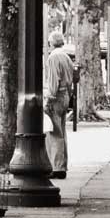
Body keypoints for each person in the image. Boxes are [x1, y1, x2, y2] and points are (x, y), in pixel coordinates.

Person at [44, 31, 75, 179]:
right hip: (65, 95)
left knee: (53, 132)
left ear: (51, 43)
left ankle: (56, 166)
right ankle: (62, 165)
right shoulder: (67, 57)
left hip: (56, 96)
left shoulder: (53, 57)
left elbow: (53, 81)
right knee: (61, 131)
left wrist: (49, 99)